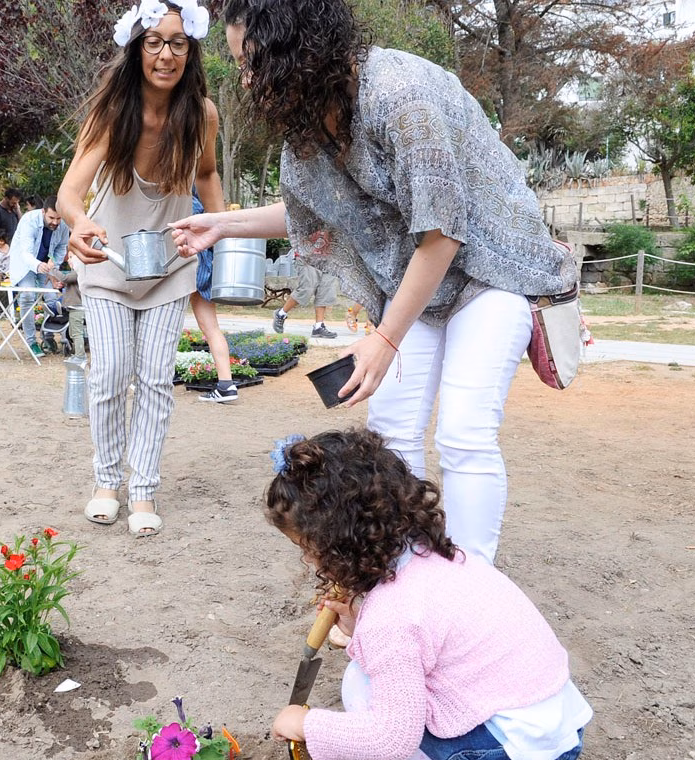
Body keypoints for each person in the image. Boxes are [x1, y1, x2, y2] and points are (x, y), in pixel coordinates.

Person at [170, 0, 576, 562]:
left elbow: (444, 231)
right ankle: (402, 579)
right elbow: (316, 210)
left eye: (251, 61)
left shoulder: (400, 96)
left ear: (295, 49)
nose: (245, 79)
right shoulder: (312, 122)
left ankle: (472, 588)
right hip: (421, 280)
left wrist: (385, 339)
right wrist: (223, 224)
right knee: (390, 432)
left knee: (462, 432)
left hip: (492, 270)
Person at [265, 429, 592, 760]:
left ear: (343, 542)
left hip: (515, 758)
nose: (311, 561)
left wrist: (306, 725)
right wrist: (359, 627)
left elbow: (391, 738)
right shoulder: (436, 555)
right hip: (557, 732)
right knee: (374, 675)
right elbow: (425, 644)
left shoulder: (392, 613)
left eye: (310, 548)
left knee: (360, 685)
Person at [58, 0, 221, 537]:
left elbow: (208, 175)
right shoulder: (113, 113)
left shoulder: (202, 114)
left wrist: (220, 228)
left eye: (177, 43)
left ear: (190, 50)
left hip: (169, 265)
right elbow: (69, 194)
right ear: (136, 49)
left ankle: (144, 489)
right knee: (109, 374)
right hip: (107, 262)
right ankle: (107, 482)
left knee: (155, 380)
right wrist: (79, 223)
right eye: (154, 42)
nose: (166, 54)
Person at [190, 195, 239, 403]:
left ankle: (148, 382)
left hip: (181, 263)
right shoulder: (201, 204)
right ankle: (226, 385)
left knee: (161, 325)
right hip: (203, 266)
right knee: (212, 329)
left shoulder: (178, 199)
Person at [9, 196, 70, 357]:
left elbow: (61, 248)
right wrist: (38, 265)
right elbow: (26, 252)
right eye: (51, 218)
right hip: (25, 264)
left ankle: (48, 337)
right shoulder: (29, 221)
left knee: (52, 298)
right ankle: (31, 342)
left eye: (58, 218)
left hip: (46, 266)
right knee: (28, 296)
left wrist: (53, 266)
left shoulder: (62, 225)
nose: (55, 222)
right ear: (43, 212)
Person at [271, 250, 340, 339]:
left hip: (328, 259)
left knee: (325, 291)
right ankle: (280, 314)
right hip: (307, 257)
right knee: (306, 290)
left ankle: (318, 327)